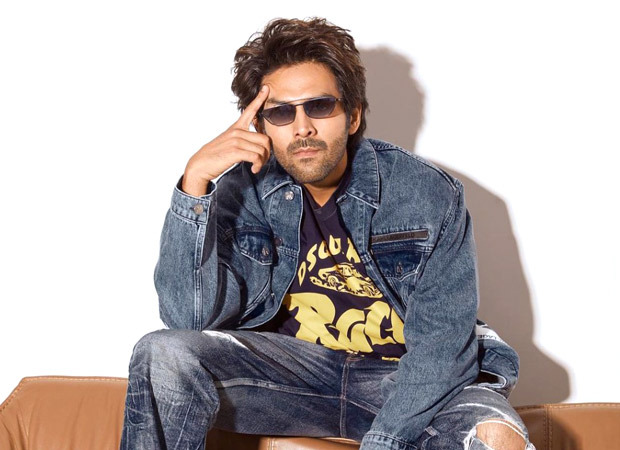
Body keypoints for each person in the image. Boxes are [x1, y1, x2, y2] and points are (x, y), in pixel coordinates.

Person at [120, 18, 534, 450]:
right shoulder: (241, 191)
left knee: (495, 438)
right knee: (162, 353)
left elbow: (442, 350)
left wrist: (385, 442)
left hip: (401, 380)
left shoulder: (427, 194)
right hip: (291, 378)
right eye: (281, 112)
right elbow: (189, 322)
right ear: (261, 127)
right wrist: (195, 182)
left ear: (353, 116)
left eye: (319, 106)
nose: (302, 128)